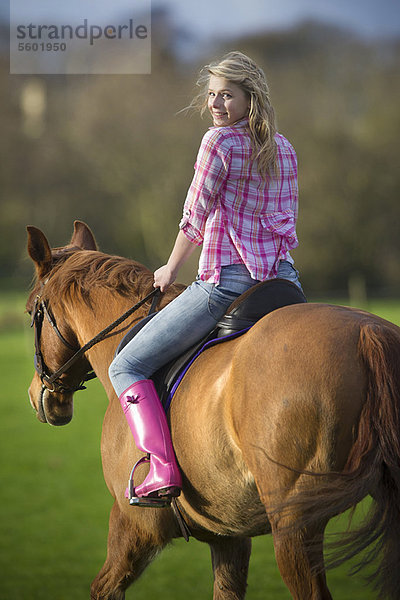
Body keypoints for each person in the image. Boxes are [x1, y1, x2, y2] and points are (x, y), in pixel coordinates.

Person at [108, 51, 302, 506]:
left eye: (226, 95)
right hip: (284, 284)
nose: (216, 104)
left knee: (126, 366)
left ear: (248, 98)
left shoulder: (218, 142)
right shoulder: (285, 147)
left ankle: (161, 469)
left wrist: (168, 270)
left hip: (227, 283)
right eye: (212, 95)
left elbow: (195, 216)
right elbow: (287, 221)